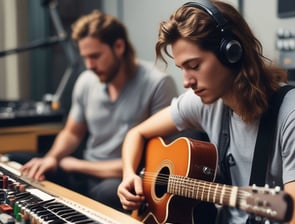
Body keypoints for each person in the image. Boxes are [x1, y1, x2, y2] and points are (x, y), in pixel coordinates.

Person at [117, 0, 295, 223]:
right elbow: (136, 134)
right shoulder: (203, 101)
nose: (187, 82)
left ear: (232, 52)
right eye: (182, 69)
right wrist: (129, 174)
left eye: (195, 66)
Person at [19, 10, 178, 212]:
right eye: (85, 57)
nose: (89, 65)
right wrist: (52, 158)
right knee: (19, 162)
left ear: (119, 47)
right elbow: (72, 133)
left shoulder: (158, 84)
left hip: (120, 178)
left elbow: (156, 162)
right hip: (81, 172)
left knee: (105, 194)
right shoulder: (86, 81)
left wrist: (77, 165)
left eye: (95, 56)